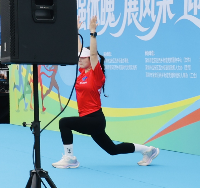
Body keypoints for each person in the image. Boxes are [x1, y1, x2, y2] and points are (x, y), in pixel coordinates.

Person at [53, 17, 159, 168]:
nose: (80, 58)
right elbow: (80, 49)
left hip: (94, 119)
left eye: (84, 57)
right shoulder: (83, 72)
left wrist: (92, 32)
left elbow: (93, 54)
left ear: (91, 60)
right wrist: (75, 31)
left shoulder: (96, 75)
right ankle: (148, 150)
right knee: (113, 150)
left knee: (64, 123)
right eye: (80, 57)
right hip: (89, 119)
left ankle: (70, 159)